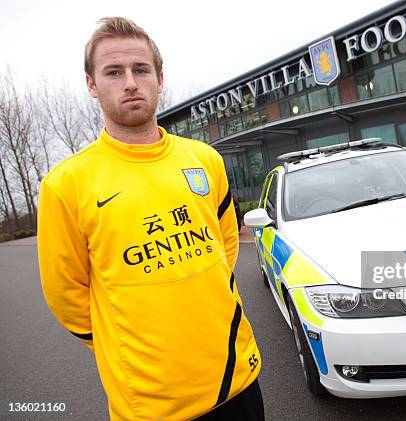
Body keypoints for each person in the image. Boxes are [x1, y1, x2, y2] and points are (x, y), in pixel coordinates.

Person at [37, 17, 264, 420]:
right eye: (113, 72)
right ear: (91, 84)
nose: (130, 82)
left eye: (141, 69)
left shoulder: (203, 159)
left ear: (159, 77)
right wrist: (119, 340)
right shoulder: (66, 184)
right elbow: (65, 294)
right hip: (151, 404)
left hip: (238, 378)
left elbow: (225, 244)